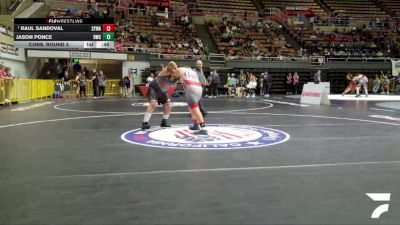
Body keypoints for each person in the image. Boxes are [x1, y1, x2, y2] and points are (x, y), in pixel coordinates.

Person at [171, 66, 207, 135]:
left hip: (191, 88)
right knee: (192, 108)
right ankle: (196, 124)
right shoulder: (192, 71)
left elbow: (173, 78)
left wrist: (172, 75)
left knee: (196, 109)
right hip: (198, 88)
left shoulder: (179, 70)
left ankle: (203, 128)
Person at [142, 62, 178, 130]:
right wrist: (177, 69)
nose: (175, 74)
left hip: (163, 91)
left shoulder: (177, 78)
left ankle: (164, 122)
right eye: (175, 71)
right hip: (154, 88)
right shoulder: (166, 71)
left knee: (168, 105)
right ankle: (145, 123)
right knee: (153, 104)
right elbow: (171, 63)